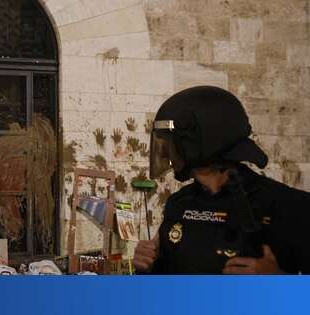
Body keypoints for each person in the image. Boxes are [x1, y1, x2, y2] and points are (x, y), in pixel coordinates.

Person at [133, 86, 310, 274]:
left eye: (171, 142)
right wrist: (148, 265)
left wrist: (278, 281)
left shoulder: (290, 206)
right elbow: (166, 286)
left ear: (198, 140)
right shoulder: (179, 204)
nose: (164, 152)